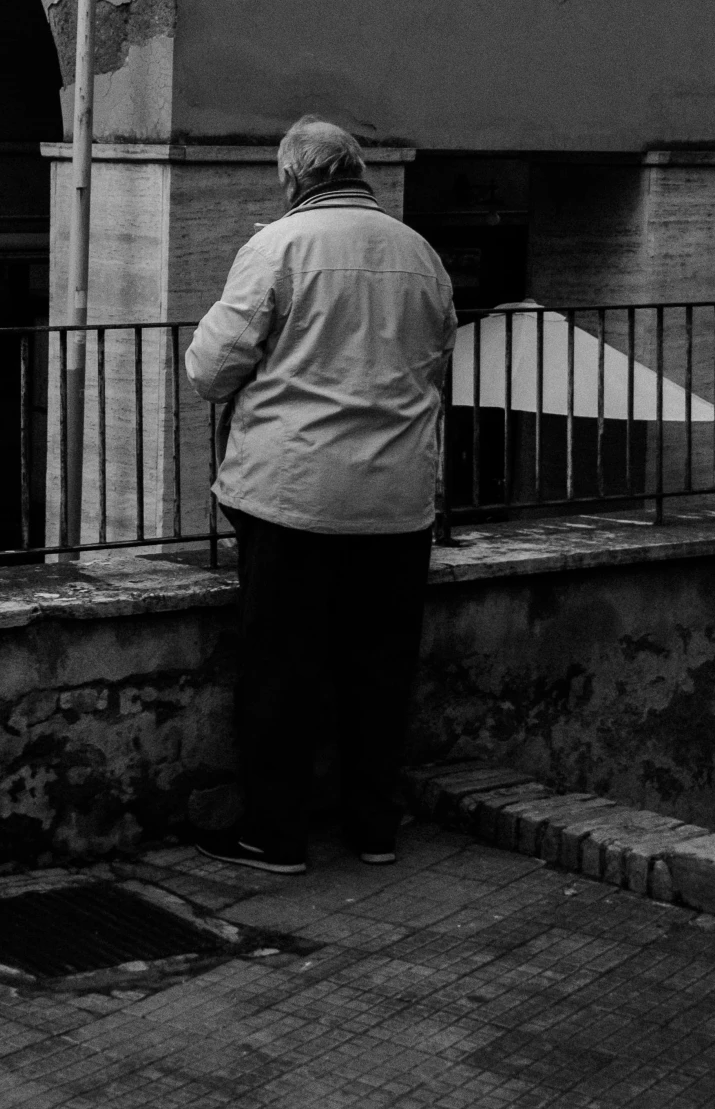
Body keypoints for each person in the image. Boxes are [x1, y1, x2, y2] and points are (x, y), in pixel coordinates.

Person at [184, 116, 455, 873]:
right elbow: (436, 359)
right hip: (397, 500)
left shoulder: (276, 247)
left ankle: (275, 834)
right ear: (358, 171)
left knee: (280, 668)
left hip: (293, 496)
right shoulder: (420, 253)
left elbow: (210, 368)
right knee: (379, 668)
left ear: (291, 176)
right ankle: (373, 827)